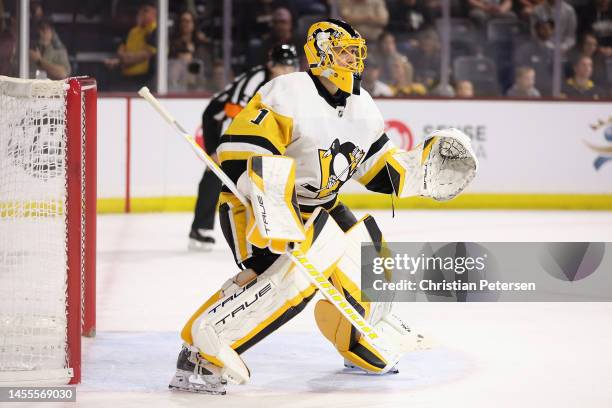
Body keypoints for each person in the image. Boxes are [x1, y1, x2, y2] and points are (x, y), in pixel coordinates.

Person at [170, 19, 477, 395]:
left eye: (355, 51)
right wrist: (276, 212)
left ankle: (354, 338)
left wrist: (421, 173)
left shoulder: (362, 106)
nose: (354, 58)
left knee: (371, 256)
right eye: (345, 50)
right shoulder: (286, 92)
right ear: (321, 52)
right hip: (253, 204)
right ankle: (200, 354)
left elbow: (379, 169)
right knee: (285, 280)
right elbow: (240, 153)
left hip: (319, 207)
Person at [188, 44, 299, 250]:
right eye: (282, 66)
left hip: (254, 132)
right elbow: (235, 116)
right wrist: (215, 149)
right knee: (216, 173)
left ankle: (267, 234)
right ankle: (200, 229)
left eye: (291, 66)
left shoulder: (292, 85)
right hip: (224, 124)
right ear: (270, 65)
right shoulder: (255, 80)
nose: (286, 71)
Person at [105, 2, 157, 91]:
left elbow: (147, 54)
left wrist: (125, 59)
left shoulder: (155, 31)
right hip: (127, 77)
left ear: (155, 13)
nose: (142, 14)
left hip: (145, 81)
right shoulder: (133, 31)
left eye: (146, 11)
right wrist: (121, 59)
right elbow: (121, 49)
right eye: (141, 11)